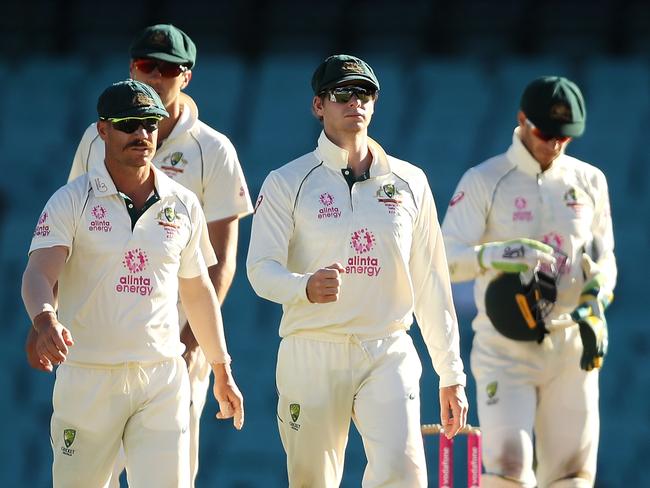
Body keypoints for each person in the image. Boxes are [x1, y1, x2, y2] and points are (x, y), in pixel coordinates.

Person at [26, 23, 253, 486]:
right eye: (128, 125)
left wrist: (212, 360)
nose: (142, 134)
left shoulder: (193, 184)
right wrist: (43, 319)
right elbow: (43, 265)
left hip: (163, 367)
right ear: (103, 131)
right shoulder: (72, 196)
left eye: (148, 124)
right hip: (89, 368)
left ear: (186, 76)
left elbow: (206, 278)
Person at [246, 54, 468, 487]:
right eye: (343, 93)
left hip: (386, 347)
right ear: (318, 105)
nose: (356, 102)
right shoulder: (286, 182)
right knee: (312, 480)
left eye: (365, 93)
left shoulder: (409, 182)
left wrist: (452, 374)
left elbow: (431, 284)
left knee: (403, 474)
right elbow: (259, 270)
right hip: (311, 347)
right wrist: (304, 286)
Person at [441, 76, 616, 487]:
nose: (553, 144)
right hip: (505, 348)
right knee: (508, 471)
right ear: (522, 120)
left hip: (572, 346)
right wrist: (497, 255)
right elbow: (445, 260)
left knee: (572, 475)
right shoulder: (485, 179)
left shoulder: (590, 180)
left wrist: (596, 301)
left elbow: (605, 258)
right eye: (544, 132)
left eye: (564, 137)